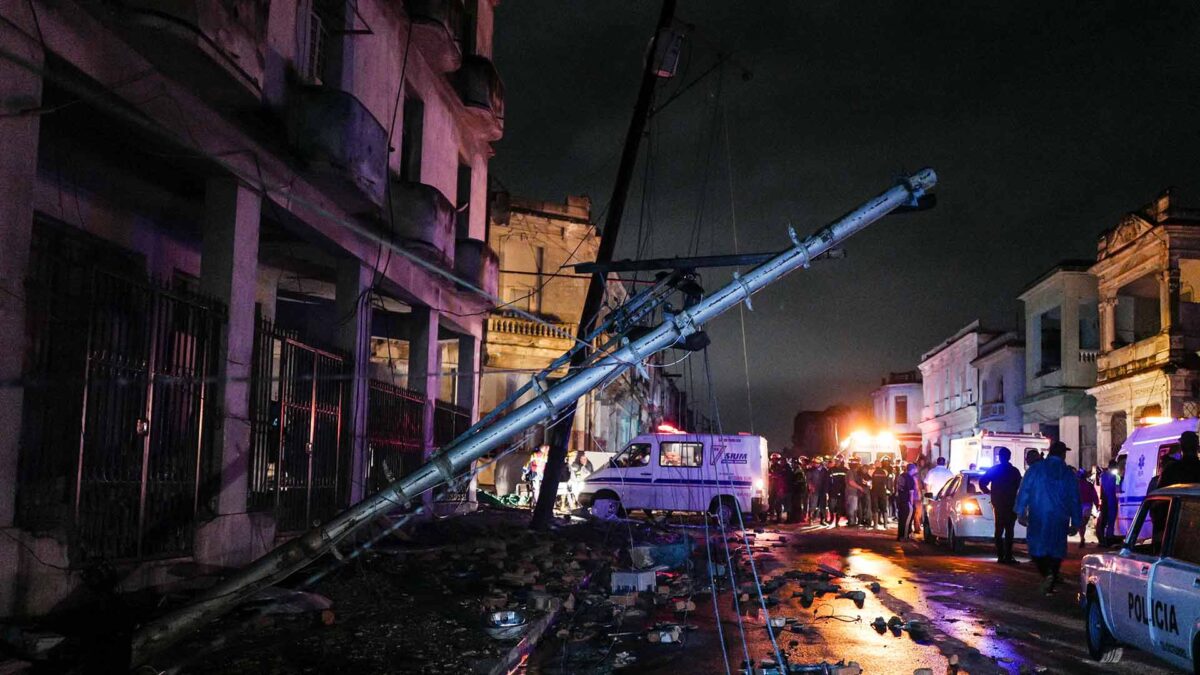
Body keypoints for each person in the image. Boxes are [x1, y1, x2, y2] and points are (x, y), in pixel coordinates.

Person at [1014, 441, 1082, 595]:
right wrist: (1076, 522)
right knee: (1057, 550)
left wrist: (1020, 511)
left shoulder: (1035, 470)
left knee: (1037, 548)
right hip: (1060, 517)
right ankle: (1051, 580)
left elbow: (1024, 491)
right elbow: (1074, 499)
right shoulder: (1067, 473)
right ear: (1063, 454)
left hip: (1039, 515)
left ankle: (1047, 574)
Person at [979, 446, 1022, 564]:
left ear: (999, 457)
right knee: (1009, 530)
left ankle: (1000, 556)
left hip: (998, 503)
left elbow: (982, 482)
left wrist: (989, 492)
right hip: (1010, 503)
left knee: (999, 529)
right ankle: (1008, 555)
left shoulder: (994, 470)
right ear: (1009, 457)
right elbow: (1020, 485)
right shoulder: (1014, 471)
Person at [1096, 458, 1120, 544]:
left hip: (1106, 500)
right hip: (1111, 501)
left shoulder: (1103, 475)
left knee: (1105, 521)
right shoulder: (1115, 477)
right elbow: (1117, 488)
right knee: (1110, 520)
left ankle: (1104, 539)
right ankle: (1108, 538)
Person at [895, 463, 919, 541]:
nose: (916, 470)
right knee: (907, 520)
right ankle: (904, 536)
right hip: (906, 501)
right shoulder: (910, 478)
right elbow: (911, 493)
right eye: (915, 469)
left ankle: (900, 536)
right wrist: (911, 504)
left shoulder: (901, 476)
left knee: (901, 519)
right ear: (913, 469)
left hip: (900, 500)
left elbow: (897, 487)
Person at [1077, 468, 1099, 548]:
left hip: (1081, 505)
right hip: (1086, 505)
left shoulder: (1076, 485)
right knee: (1083, 523)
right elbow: (1094, 495)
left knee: (1081, 524)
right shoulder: (1088, 484)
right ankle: (1082, 538)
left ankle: (1082, 538)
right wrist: (1096, 504)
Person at [768, 453, 791, 522]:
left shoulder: (781, 467)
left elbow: (782, 477)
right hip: (772, 487)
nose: (774, 460)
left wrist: (774, 476)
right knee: (771, 501)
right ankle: (772, 516)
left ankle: (779, 517)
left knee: (778, 502)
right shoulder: (770, 467)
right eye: (773, 459)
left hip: (778, 487)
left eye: (775, 459)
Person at [871, 460, 892, 527]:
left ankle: (875, 525)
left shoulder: (872, 472)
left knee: (875, 508)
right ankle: (885, 525)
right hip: (882, 491)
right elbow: (887, 481)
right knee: (884, 508)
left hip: (875, 491)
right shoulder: (884, 472)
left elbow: (871, 482)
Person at [828, 457, 848, 527]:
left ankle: (837, 522)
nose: (837, 462)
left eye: (839, 461)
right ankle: (832, 517)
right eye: (836, 461)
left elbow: (847, 481)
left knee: (839, 507)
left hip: (842, 491)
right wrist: (828, 490)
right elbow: (828, 481)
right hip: (832, 491)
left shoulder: (845, 470)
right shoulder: (831, 470)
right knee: (831, 506)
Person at [810, 458, 830, 525]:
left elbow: (827, 482)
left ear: (819, 463)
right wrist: (811, 486)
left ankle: (822, 520)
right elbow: (809, 479)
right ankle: (812, 519)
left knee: (823, 506)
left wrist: (826, 492)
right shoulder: (812, 470)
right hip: (815, 491)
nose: (815, 464)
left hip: (822, 491)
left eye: (816, 463)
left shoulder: (825, 471)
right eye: (814, 463)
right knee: (813, 505)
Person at [789, 457, 809, 523]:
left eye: (794, 464)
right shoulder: (795, 470)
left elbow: (798, 482)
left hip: (798, 491)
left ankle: (798, 519)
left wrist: (793, 484)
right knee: (795, 505)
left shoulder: (799, 471)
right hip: (796, 491)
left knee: (798, 505)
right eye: (793, 463)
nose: (793, 465)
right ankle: (796, 518)